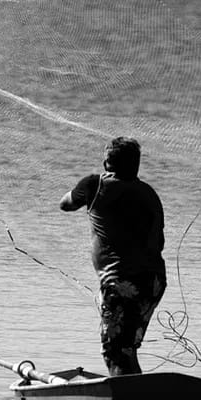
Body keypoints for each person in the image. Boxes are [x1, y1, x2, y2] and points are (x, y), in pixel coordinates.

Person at [60, 137, 167, 376]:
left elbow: (65, 204)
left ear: (106, 162)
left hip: (120, 282)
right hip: (153, 282)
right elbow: (159, 242)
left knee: (115, 350)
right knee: (126, 348)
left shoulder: (93, 185)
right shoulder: (149, 194)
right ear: (136, 165)